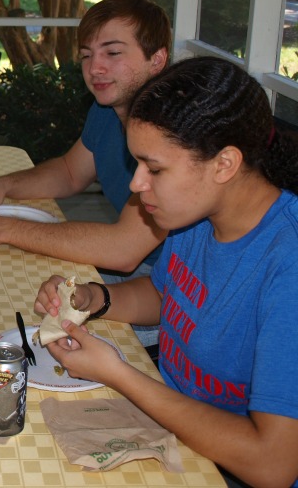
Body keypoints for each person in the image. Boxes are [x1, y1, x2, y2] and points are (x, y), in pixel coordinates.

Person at [35, 57, 298, 488]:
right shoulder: (196, 215)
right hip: (168, 426)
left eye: (154, 169)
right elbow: (166, 296)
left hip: (228, 468)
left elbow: (273, 465)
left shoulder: (288, 266)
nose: (137, 184)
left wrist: (119, 373)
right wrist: (91, 298)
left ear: (225, 164)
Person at [0, 0, 170, 347]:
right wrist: (3, 185)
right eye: (87, 55)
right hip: (134, 275)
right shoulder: (108, 110)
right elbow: (71, 173)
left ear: (157, 59)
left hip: (172, 296)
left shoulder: (170, 128)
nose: (95, 68)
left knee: (19, 329)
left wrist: (1, 228)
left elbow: (123, 248)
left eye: (112, 53)